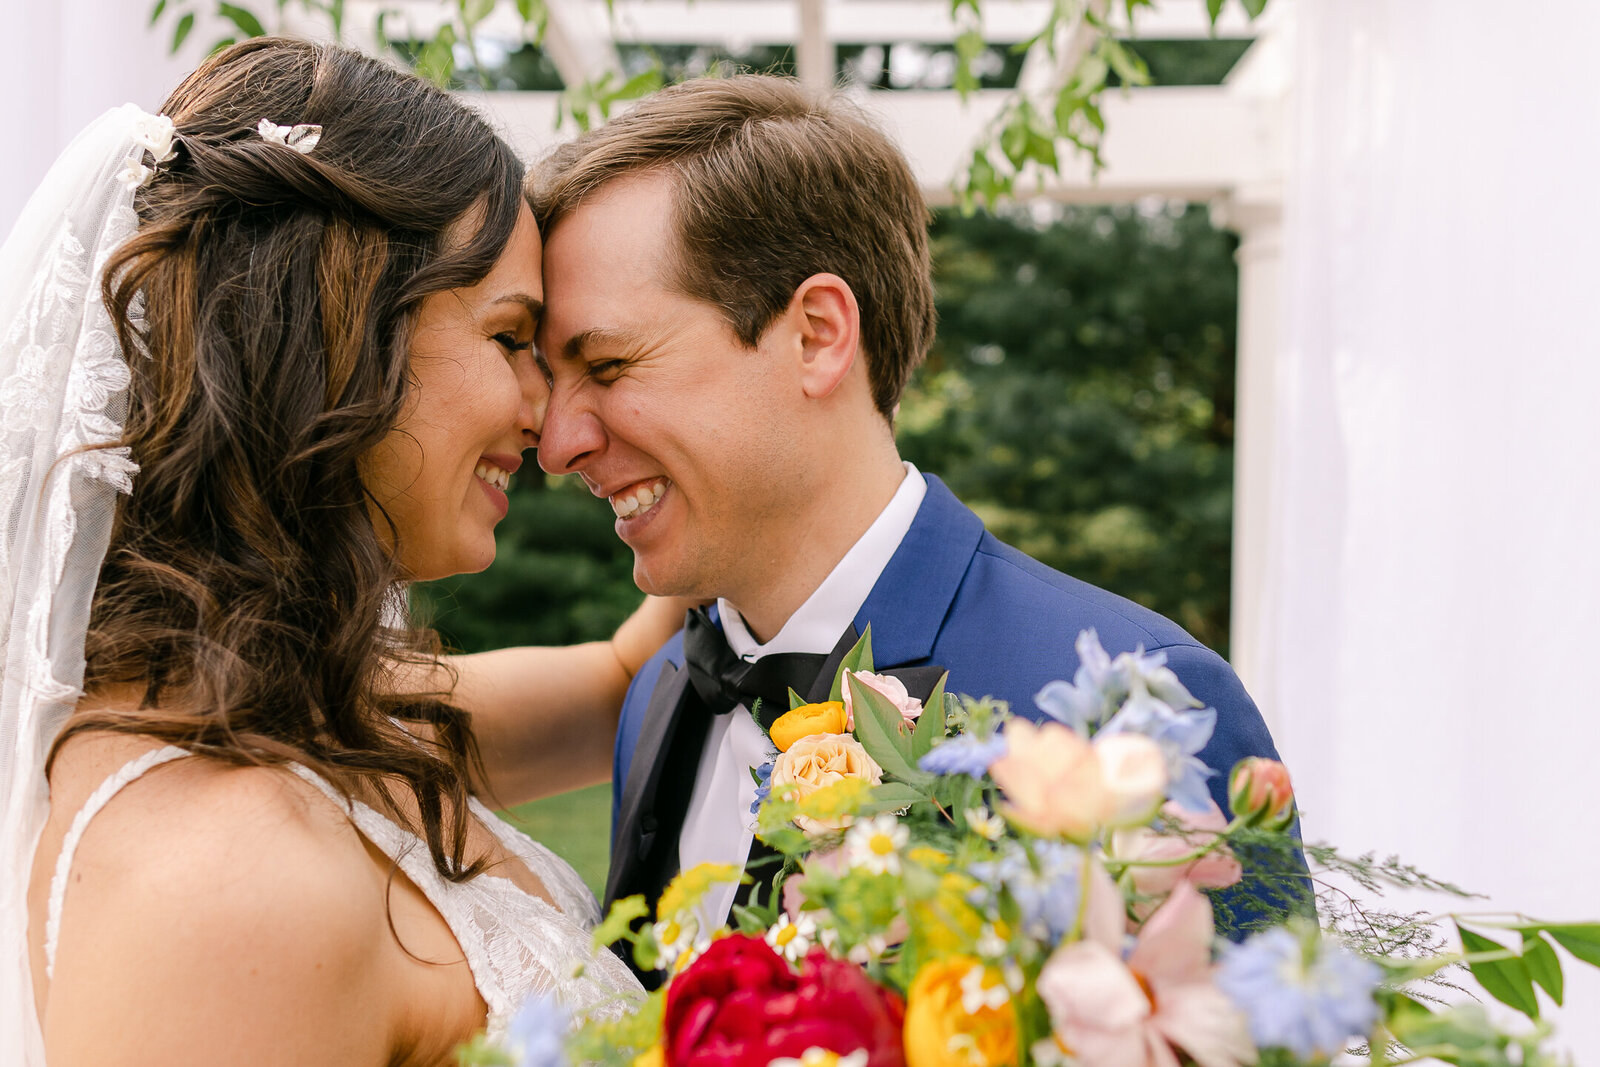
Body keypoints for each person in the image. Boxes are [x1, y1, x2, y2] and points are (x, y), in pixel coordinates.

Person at [2, 38, 675, 1066]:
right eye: (508, 339)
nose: (544, 416)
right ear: (334, 340)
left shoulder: (316, 710)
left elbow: (623, 685)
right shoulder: (222, 883)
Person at [525, 75, 1296, 949]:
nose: (555, 445)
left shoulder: (1132, 709)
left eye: (612, 366)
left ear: (817, 334)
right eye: (553, 381)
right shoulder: (663, 693)